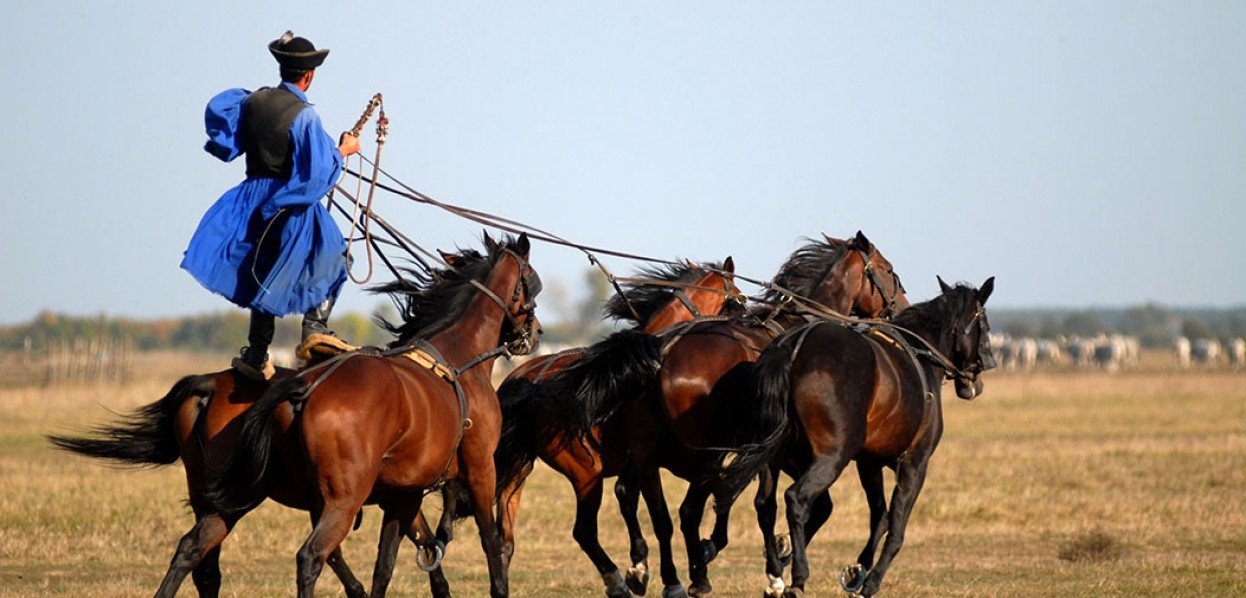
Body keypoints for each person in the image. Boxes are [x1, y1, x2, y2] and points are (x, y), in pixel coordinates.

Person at [181, 31, 359, 381]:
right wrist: (344, 151)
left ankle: (257, 351)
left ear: (282, 69)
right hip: (288, 201)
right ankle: (314, 329)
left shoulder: (251, 102)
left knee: (263, 270)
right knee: (338, 256)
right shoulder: (305, 117)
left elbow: (229, 139)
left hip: (251, 199)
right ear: (308, 76)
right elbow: (317, 175)